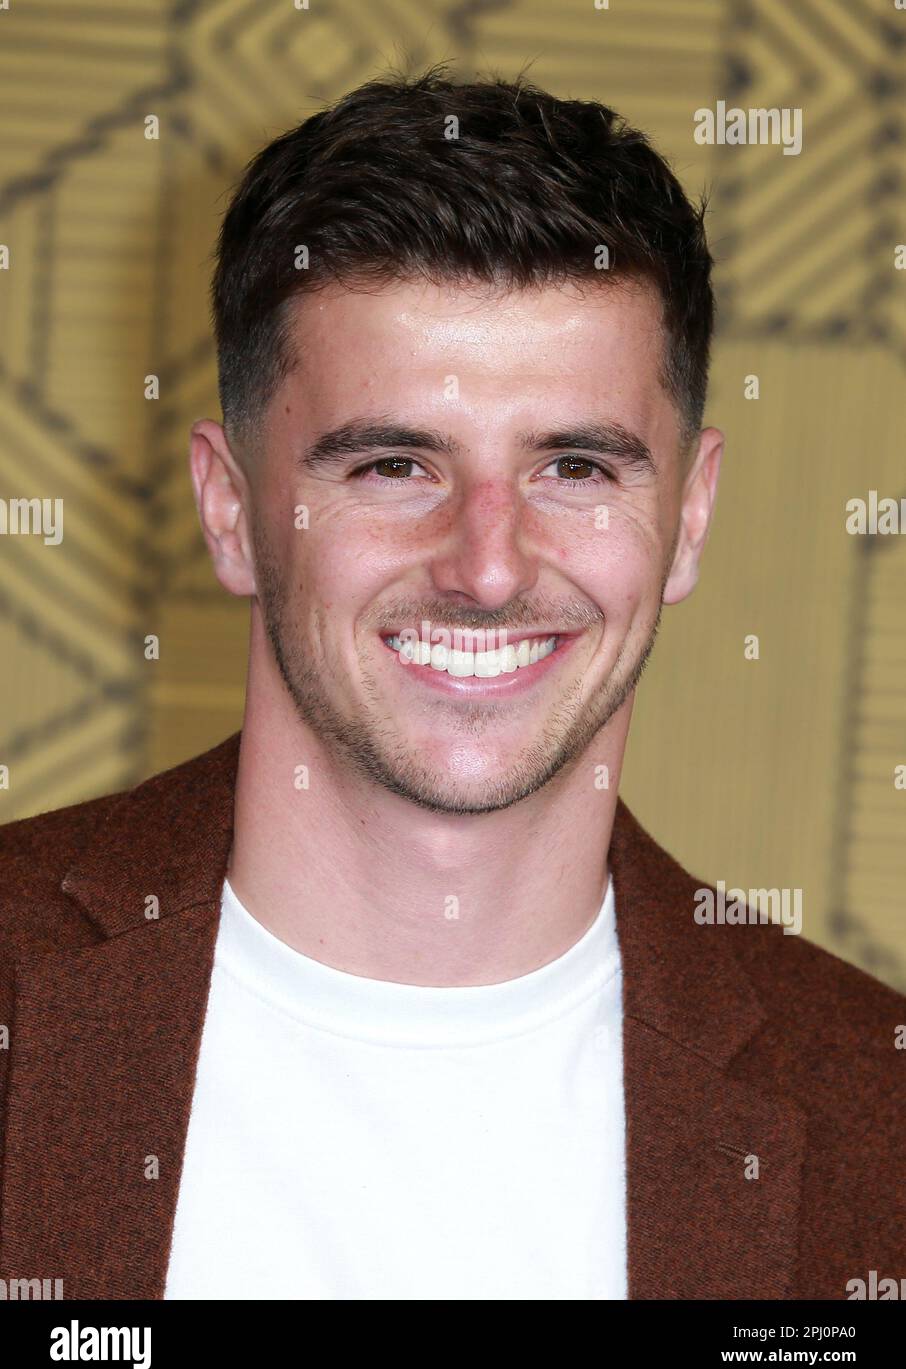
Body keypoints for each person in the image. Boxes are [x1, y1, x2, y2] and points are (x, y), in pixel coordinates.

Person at [0, 65, 902, 1301]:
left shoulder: (873, 1105)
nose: (487, 567)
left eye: (577, 466)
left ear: (689, 519)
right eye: (391, 466)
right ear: (227, 507)